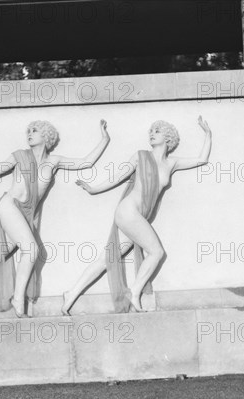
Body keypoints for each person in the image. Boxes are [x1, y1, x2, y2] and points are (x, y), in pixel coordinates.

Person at [0, 119, 110, 319]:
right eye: (28, 131)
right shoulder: (19, 156)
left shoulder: (54, 161)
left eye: (35, 130)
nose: (29, 133)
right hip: (9, 206)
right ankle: (18, 298)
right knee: (31, 249)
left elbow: (85, 162)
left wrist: (104, 138)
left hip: (25, 215)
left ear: (47, 136)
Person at [62, 116, 212, 315]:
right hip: (128, 211)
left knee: (107, 258)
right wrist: (94, 189)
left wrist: (208, 134)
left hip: (137, 217)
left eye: (157, 131)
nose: (151, 133)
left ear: (168, 138)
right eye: (151, 131)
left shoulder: (172, 163)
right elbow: (119, 176)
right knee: (156, 252)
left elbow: (201, 159)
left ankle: (71, 293)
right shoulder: (140, 155)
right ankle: (133, 292)